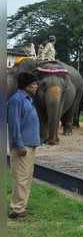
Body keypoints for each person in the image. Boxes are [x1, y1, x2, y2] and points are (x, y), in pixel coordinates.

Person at [7, 72, 40, 219]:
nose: (36, 86)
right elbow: (14, 125)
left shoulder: (28, 99)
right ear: (26, 86)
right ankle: (17, 210)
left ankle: (21, 207)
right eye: (34, 84)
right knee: (21, 178)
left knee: (26, 177)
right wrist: (19, 145)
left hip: (30, 145)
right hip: (22, 147)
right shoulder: (17, 100)